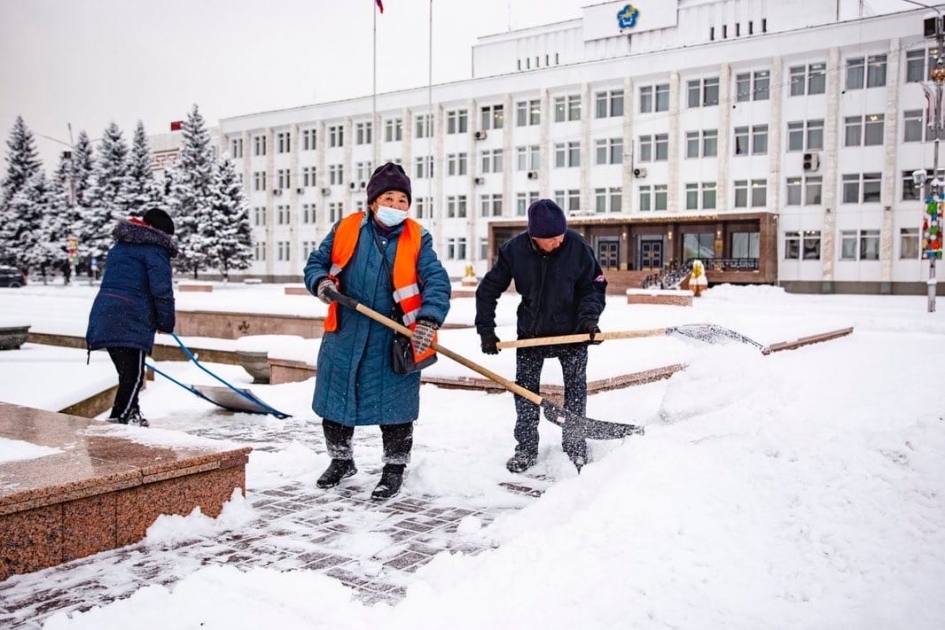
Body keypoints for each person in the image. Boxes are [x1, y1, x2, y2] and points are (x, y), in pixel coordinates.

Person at [303, 162, 451, 500]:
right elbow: (316, 264)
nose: (396, 206)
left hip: (393, 336)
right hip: (346, 332)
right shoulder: (347, 229)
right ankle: (341, 460)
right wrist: (322, 283)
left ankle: (394, 468)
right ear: (373, 202)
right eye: (389, 198)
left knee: (396, 408)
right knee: (335, 402)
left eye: (403, 200)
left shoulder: (417, 238)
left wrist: (428, 319)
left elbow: (436, 281)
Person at [475, 199, 607, 473]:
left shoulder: (578, 247)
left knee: (575, 393)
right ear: (535, 237)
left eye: (561, 236)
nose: (558, 242)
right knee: (524, 393)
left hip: (572, 335)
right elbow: (488, 290)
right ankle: (525, 447)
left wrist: (589, 321)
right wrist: (487, 331)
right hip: (530, 335)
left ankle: (574, 446)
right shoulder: (514, 250)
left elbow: (593, 288)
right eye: (552, 239)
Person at [85, 208, 177, 427]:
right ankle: (119, 419)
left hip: (106, 312)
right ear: (161, 233)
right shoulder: (154, 250)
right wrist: (165, 322)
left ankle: (132, 414)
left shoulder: (120, 246)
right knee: (134, 376)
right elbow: (162, 289)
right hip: (131, 316)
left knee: (127, 374)